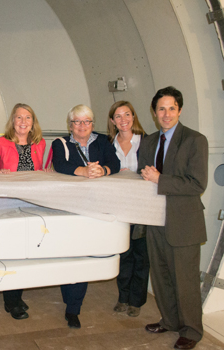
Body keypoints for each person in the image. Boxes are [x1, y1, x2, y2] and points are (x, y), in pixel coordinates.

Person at [139, 86, 208, 350]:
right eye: (161, 109)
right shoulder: (149, 141)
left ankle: (191, 329)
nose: (166, 114)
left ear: (179, 110)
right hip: (155, 220)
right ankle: (169, 321)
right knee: (162, 276)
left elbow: (196, 184)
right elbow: (144, 177)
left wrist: (160, 179)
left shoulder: (194, 140)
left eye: (171, 108)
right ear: (154, 112)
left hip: (184, 222)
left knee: (185, 281)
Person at [50, 104, 120, 329]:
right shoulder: (60, 143)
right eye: (77, 122)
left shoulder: (103, 141)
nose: (82, 126)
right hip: (67, 206)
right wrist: (83, 171)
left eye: (87, 121)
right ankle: (68, 295)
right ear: (70, 125)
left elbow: (115, 164)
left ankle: (73, 308)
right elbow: (60, 164)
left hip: (94, 207)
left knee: (83, 253)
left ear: (93, 123)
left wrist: (103, 171)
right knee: (67, 253)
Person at [0, 103, 46, 320]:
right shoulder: (0, 142)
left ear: (33, 122)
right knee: (12, 250)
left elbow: (41, 172)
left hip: (30, 204)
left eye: (28, 118)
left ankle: (17, 293)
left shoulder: (40, 144)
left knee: (26, 251)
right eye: (19, 118)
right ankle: (12, 301)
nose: (23, 122)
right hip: (6, 203)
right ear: (12, 121)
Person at [107, 101, 149, 318]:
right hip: (119, 206)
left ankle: (137, 301)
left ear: (134, 116)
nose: (123, 120)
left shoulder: (147, 141)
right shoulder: (107, 144)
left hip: (142, 207)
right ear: (112, 121)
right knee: (124, 253)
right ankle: (123, 297)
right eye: (118, 116)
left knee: (142, 256)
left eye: (127, 115)